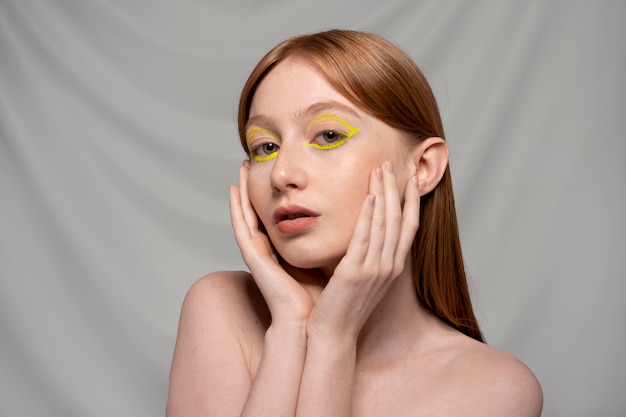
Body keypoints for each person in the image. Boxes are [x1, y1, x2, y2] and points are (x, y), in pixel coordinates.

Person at [166, 29, 543, 416]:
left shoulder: (493, 389)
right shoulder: (221, 310)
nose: (281, 174)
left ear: (424, 167)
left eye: (328, 135)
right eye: (266, 147)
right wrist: (289, 329)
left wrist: (332, 338)